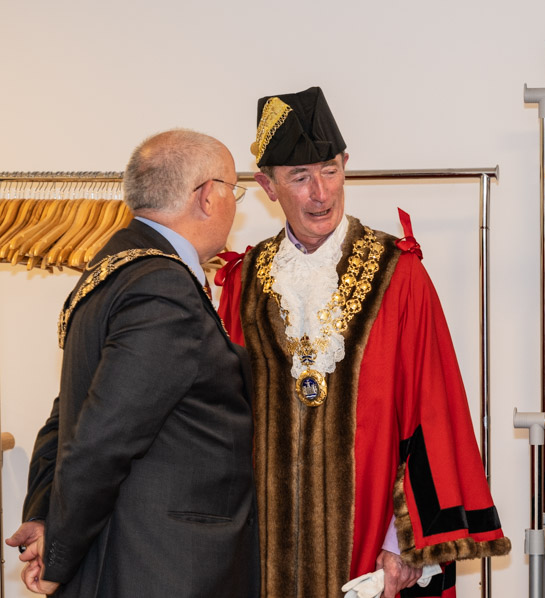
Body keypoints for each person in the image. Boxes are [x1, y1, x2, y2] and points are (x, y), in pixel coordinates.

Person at [216, 86, 510, 598]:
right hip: (264, 551)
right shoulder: (243, 283)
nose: (321, 193)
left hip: (370, 550)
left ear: (346, 165)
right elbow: (221, 423)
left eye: (330, 170)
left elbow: (433, 407)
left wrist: (405, 545)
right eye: (300, 177)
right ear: (267, 185)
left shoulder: (400, 273)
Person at [5, 129, 260, 597]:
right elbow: (104, 438)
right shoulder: (162, 287)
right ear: (207, 196)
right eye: (233, 190)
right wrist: (59, 554)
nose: (233, 203)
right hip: (163, 566)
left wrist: (44, 514)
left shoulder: (112, 267)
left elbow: (69, 414)